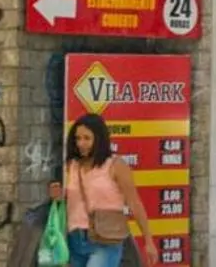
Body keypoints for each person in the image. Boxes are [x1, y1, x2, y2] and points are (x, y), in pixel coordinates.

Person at [50, 113, 158, 267]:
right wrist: (58, 196)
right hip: (74, 239)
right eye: (77, 138)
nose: (81, 143)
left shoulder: (116, 166)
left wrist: (148, 240)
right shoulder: (72, 165)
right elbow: (72, 200)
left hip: (105, 240)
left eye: (87, 138)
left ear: (99, 139)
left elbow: (134, 203)